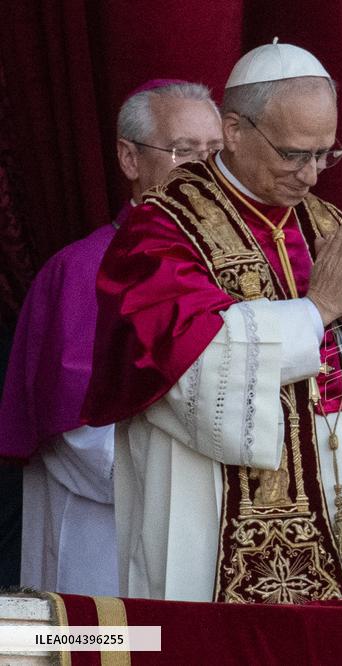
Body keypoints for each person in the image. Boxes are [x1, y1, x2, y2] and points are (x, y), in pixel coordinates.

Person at [81, 42, 342, 603]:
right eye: (294, 153)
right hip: (209, 506)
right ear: (235, 130)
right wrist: (314, 311)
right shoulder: (165, 225)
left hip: (340, 503)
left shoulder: (326, 223)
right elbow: (183, 354)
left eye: (325, 155)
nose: (312, 176)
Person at [0, 80, 223, 596]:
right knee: (117, 649)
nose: (205, 172)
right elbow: (82, 436)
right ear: (129, 158)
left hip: (212, 542)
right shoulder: (82, 272)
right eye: (183, 152)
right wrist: (199, 485)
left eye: (215, 153)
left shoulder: (244, 270)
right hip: (106, 542)